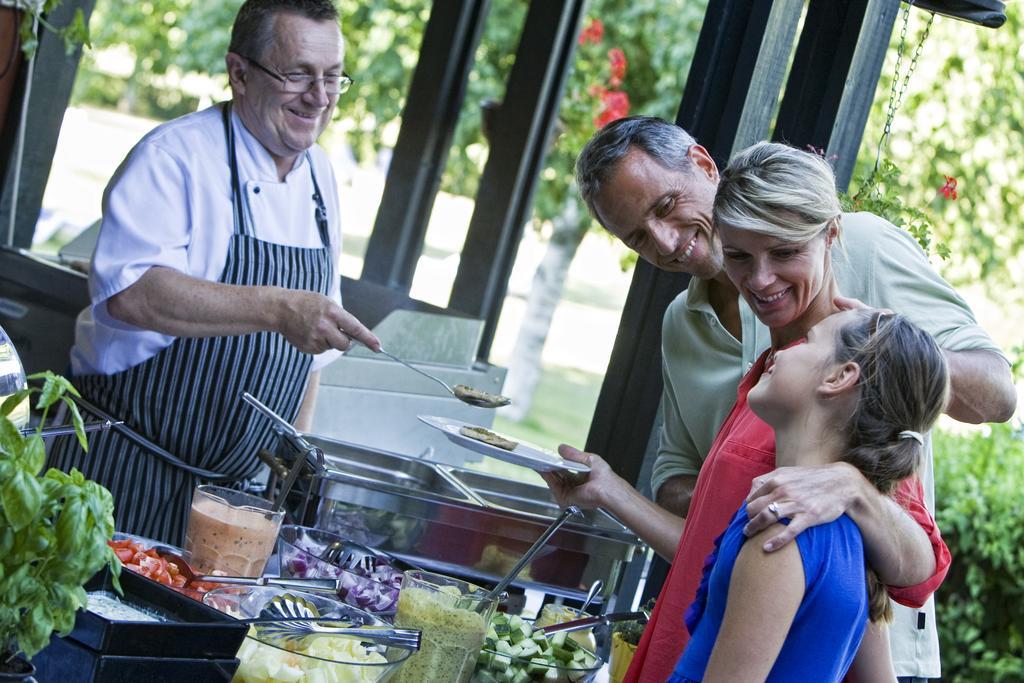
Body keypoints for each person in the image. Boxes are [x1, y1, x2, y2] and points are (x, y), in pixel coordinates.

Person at [547, 127, 1016, 683]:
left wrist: (881, 347)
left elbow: (916, 563)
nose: (665, 242)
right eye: (637, 238)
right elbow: (691, 503)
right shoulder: (751, 379)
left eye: (667, 207)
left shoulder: (854, 325)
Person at [47, 0, 380, 545]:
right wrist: (276, 308)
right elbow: (132, 293)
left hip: (229, 503)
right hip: (118, 474)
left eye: (334, 77)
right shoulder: (174, 157)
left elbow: (314, 346)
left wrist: (292, 467)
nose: (319, 98)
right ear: (239, 73)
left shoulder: (321, 175)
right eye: (297, 74)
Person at [671, 307, 949, 683]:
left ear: (839, 377)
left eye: (807, 341)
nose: (782, 351)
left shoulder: (782, 530)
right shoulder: (853, 536)